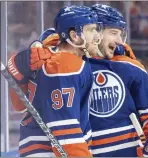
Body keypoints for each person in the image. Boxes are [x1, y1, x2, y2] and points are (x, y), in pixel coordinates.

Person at [9, 4, 148, 157]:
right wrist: (19, 69)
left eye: (120, 34)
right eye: (113, 33)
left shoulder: (127, 66)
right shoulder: (61, 61)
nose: (119, 41)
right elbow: (22, 106)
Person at [8, 5, 103, 157]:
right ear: (74, 36)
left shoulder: (56, 58)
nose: (97, 36)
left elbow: (20, 106)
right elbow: (65, 131)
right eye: (91, 30)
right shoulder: (66, 65)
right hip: (47, 150)